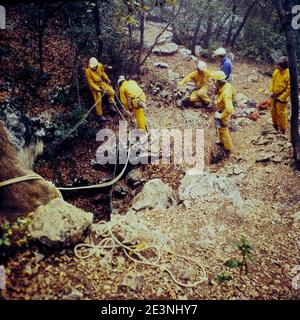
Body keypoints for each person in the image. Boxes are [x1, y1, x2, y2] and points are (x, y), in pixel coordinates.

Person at [212, 71, 236, 155]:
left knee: (223, 130)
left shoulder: (225, 93)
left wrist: (221, 115)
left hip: (224, 113)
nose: (214, 83)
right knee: (220, 129)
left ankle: (228, 148)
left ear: (219, 81)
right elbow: (234, 93)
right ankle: (222, 142)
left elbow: (229, 109)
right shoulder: (227, 85)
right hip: (221, 110)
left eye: (215, 81)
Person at [269, 56, 290, 134]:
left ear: (283, 67)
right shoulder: (276, 71)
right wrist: (271, 91)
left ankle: (283, 128)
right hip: (274, 95)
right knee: (273, 111)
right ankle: (275, 124)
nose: (276, 66)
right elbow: (272, 82)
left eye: (278, 65)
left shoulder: (288, 75)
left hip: (281, 98)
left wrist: (281, 97)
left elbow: (289, 89)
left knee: (281, 113)